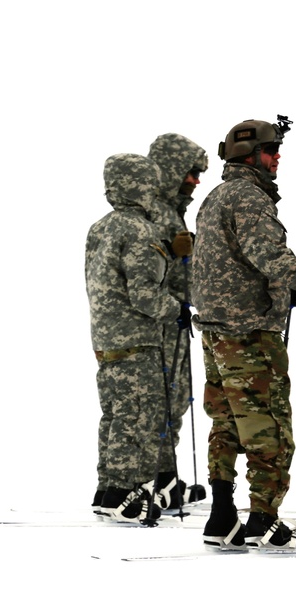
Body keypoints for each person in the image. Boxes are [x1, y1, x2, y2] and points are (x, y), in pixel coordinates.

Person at [190, 118, 296, 551]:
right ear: (250, 157)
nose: (277, 158)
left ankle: (222, 516)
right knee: (269, 426)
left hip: (217, 333)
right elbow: (269, 255)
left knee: (227, 424)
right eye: (271, 151)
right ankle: (263, 520)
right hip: (248, 336)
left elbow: (228, 264)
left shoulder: (215, 197)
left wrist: (279, 292)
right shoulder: (249, 198)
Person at [86, 153, 185, 524]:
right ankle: (125, 493)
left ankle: (107, 487)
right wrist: (176, 308)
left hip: (107, 338)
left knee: (114, 416)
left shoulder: (101, 227)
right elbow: (143, 294)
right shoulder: (140, 231)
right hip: (138, 338)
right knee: (138, 416)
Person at [146, 133, 210, 511]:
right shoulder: (155, 212)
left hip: (177, 320)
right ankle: (153, 480)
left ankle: (166, 480)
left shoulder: (172, 211)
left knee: (175, 399)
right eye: (190, 173)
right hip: (161, 323)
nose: (195, 181)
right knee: (161, 402)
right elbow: (145, 264)